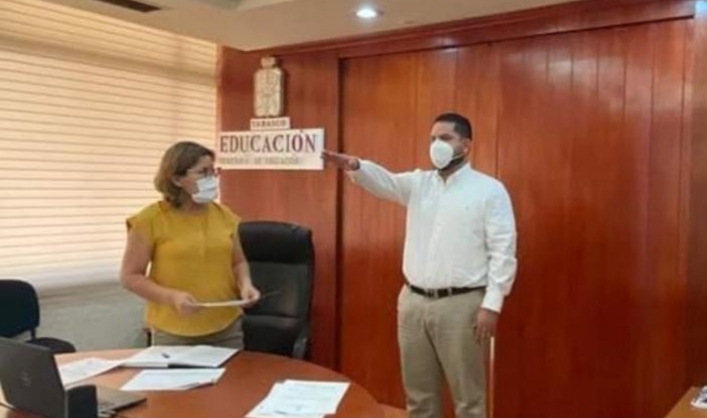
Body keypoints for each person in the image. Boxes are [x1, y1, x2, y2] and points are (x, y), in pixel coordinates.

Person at [322, 113, 517, 418]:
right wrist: (356, 166)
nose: (436, 145)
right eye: (433, 139)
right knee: (419, 397)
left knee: (469, 401)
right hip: (413, 303)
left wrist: (492, 305)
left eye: (445, 138)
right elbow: (385, 182)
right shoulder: (419, 184)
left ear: (466, 145)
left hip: (462, 305)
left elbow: (503, 250)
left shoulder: (489, 190)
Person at [120, 141, 260, 348]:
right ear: (177, 179)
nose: (212, 178)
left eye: (213, 171)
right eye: (203, 172)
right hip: (174, 331)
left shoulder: (225, 216)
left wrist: (245, 285)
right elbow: (130, 277)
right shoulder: (149, 219)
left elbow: (238, 262)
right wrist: (172, 297)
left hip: (226, 327)